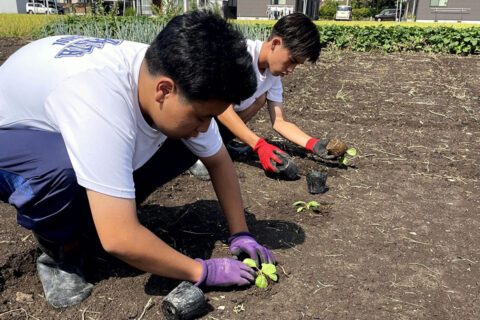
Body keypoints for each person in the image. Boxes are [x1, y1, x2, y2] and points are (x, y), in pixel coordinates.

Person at [0, 11, 275, 308]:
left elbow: (219, 161)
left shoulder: (179, 78)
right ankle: (61, 250)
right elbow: (119, 239)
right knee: (60, 171)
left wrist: (241, 233)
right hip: (13, 134)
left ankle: (101, 212)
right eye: (203, 116)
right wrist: (202, 270)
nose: (207, 126)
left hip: (68, 112)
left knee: (186, 141)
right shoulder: (100, 100)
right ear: (164, 90)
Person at [190, 13, 344, 180]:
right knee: (224, 104)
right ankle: (197, 154)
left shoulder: (273, 75)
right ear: (276, 43)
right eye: (291, 61)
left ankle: (220, 144)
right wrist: (259, 145)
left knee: (261, 98)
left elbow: (279, 122)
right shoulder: (239, 54)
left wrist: (312, 143)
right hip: (191, 119)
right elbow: (222, 110)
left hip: (215, 119)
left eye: (296, 65)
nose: (291, 69)